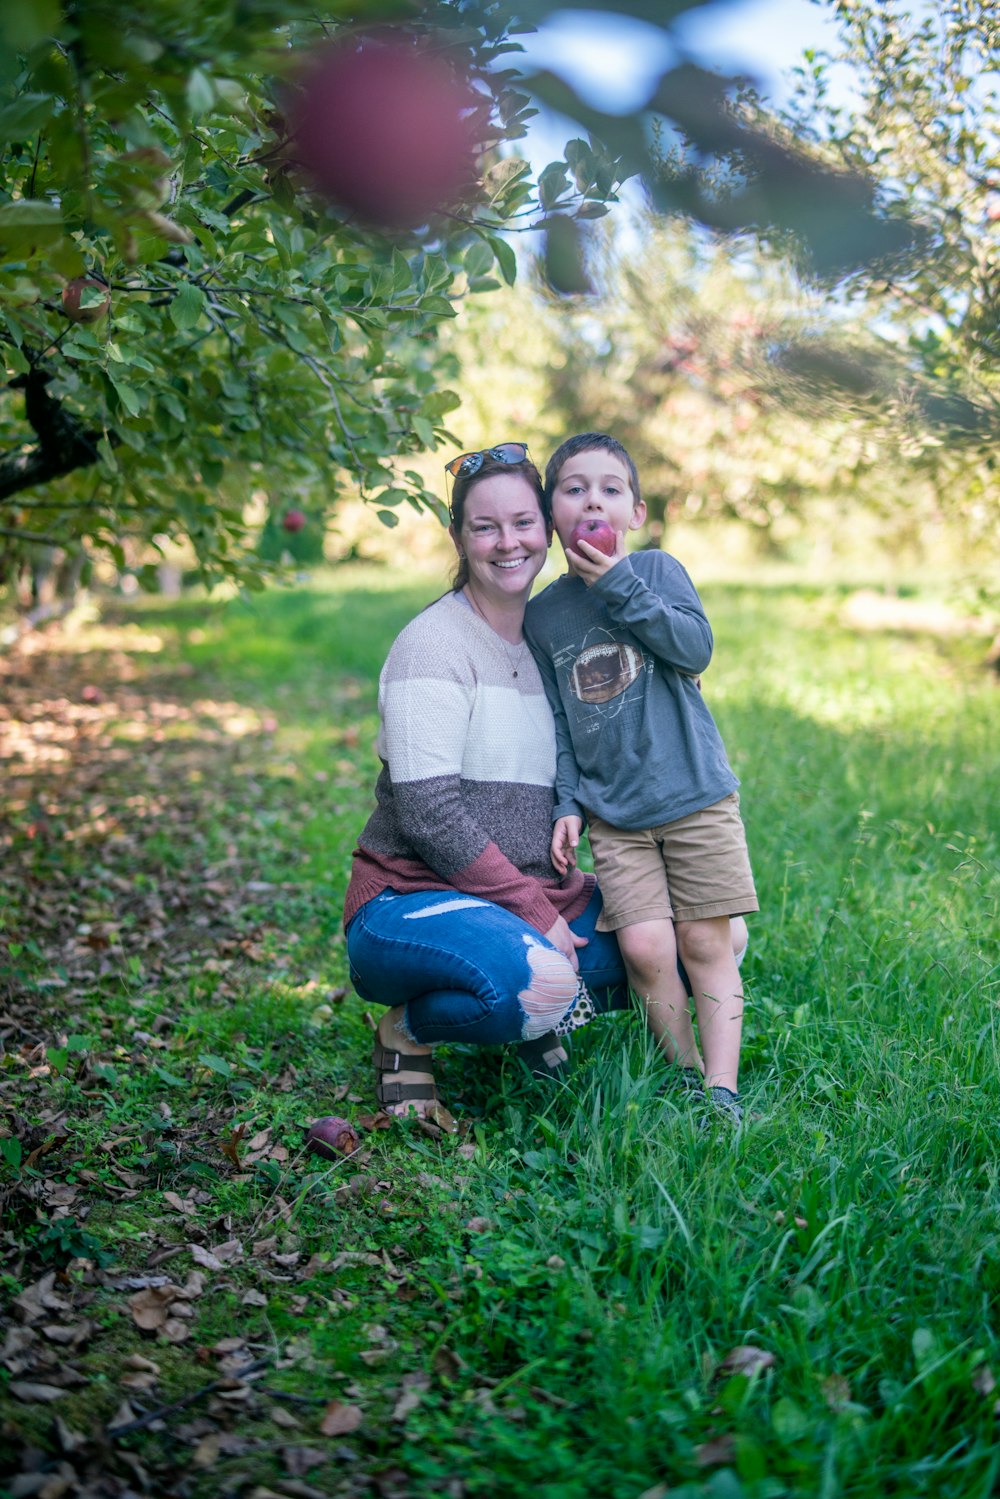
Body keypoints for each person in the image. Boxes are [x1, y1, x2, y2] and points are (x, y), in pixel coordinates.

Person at [343, 442, 630, 1126]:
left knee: (680, 939)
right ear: (459, 536)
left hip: (527, 894)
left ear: (550, 528)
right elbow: (429, 813)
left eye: (524, 522)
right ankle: (409, 1030)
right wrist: (534, 911)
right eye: (485, 526)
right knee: (541, 978)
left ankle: (538, 1010)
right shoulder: (433, 644)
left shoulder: (547, 639)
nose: (510, 543)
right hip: (409, 902)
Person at [524, 433, 758, 1125]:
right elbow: (559, 722)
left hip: (694, 795)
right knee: (645, 947)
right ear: (550, 512)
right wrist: (567, 799)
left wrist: (619, 584)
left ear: (635, 511)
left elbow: (695, 650)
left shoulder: (655, 570)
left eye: (609, 488)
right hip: (615, 813)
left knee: (706, 941)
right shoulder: (543, 614)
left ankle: (724, 1088)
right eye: (573, 487)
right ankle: (684, 1076)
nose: (592, 498)